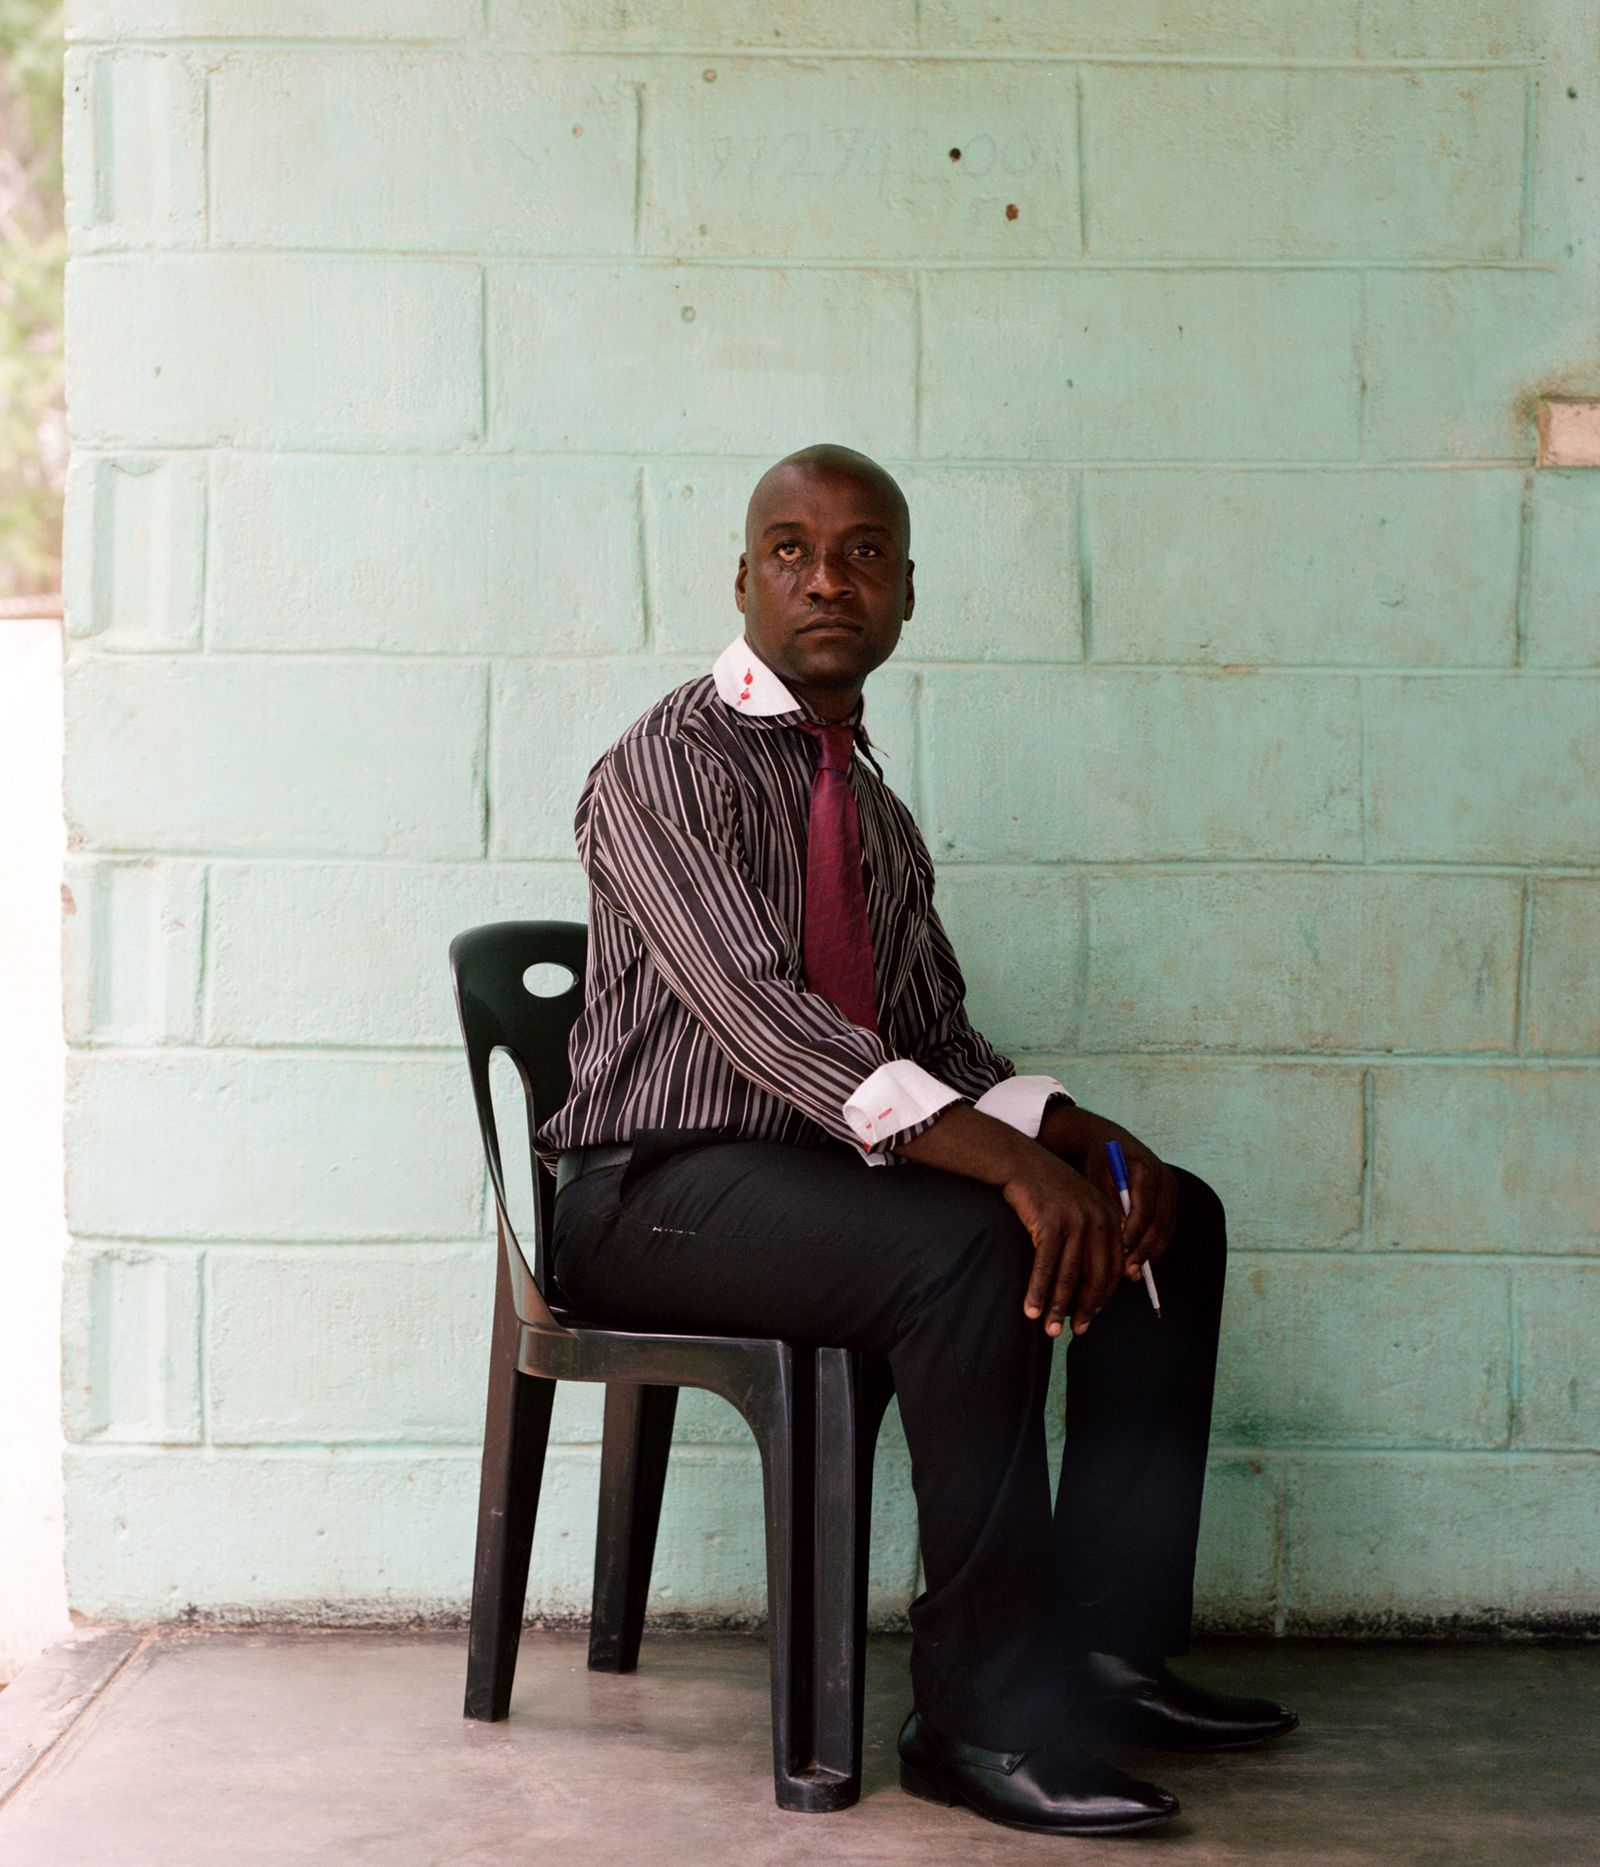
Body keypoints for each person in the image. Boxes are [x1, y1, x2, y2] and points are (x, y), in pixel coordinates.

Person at [542, 443, 1297, 1838]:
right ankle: (979, 1713)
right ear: (745, 581)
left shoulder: (872, 809)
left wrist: (1076, 1135)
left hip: (813, 1179)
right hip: (653, 1192)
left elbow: (937, 1044)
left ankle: (1109, 1652)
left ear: (903, 598)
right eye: (790, 549)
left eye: (864, 552)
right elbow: (768, 1024)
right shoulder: (661, 768)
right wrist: (1009, 1168)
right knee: (967, 1246)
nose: (827, 576)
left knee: (1165, 1217)